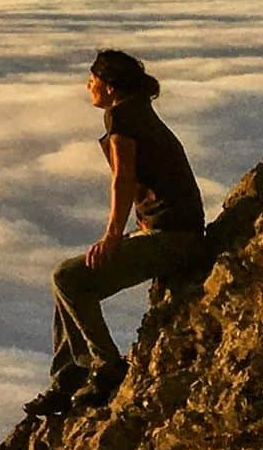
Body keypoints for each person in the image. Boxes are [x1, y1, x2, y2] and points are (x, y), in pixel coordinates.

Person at [24, 49, 206, 418]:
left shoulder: (122, 115)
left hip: (173, 239)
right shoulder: (138, 111)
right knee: (69, 285)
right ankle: (68, 379)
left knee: (68, 278)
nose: (88, 86)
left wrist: (112, 235)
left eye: (91, 80)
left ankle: (106, 367)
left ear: (107, 86)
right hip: (172, 232)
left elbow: (122, 178)